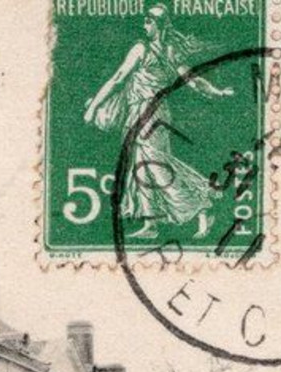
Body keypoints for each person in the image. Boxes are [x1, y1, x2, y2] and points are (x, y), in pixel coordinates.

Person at [83, 5, 234, 240]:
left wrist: (217, 91)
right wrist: (217, 91)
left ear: (160, 24)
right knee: (140, 167)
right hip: (140, 113)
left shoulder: (147, 50)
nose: (145, 23)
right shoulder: (160, 49)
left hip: (151, 115)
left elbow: (119, 79)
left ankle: (202, 206)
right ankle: (151, 224)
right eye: (145, 19)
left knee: (157, 166)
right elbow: (119, 79)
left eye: (149, 20)